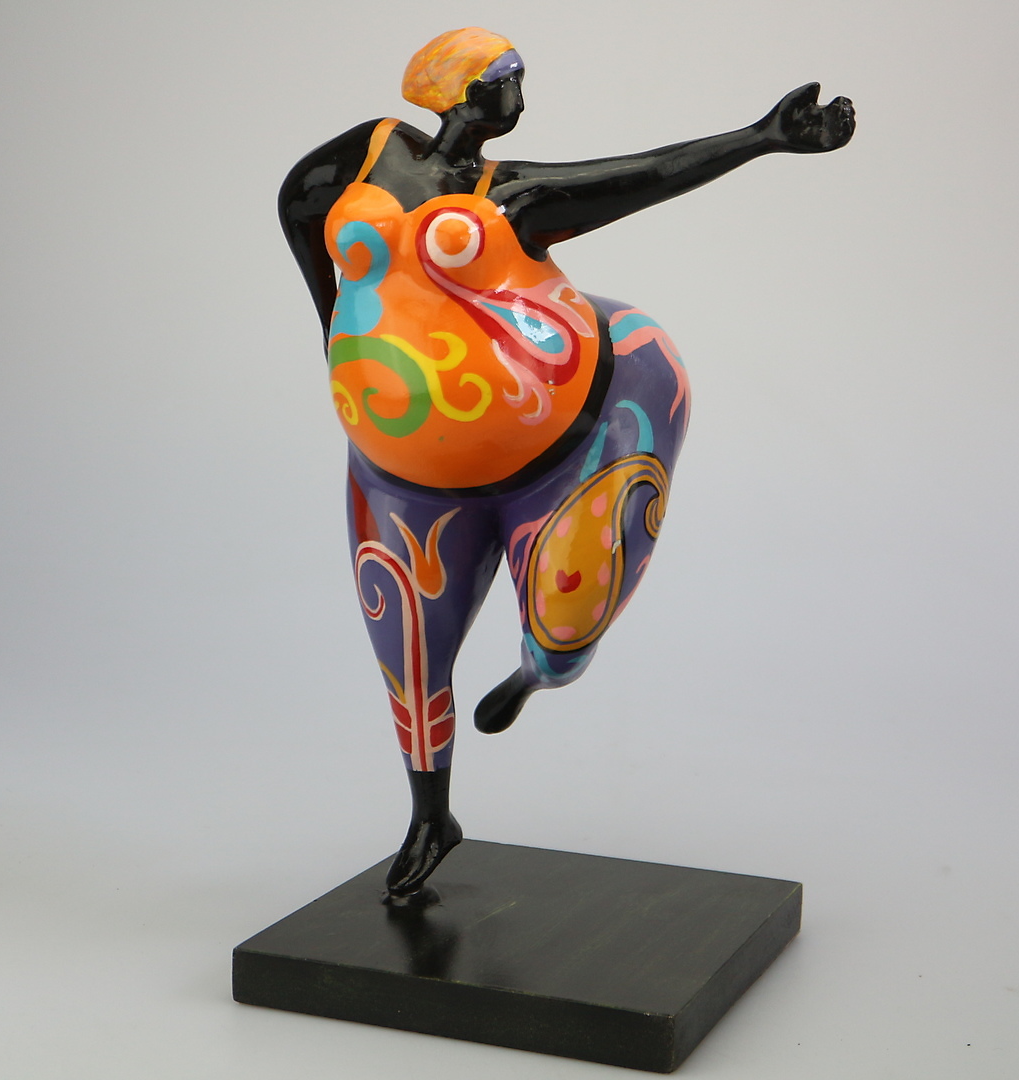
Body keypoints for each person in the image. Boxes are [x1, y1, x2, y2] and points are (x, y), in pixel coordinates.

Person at [279, 27, 854, 901]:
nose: (519, 95)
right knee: (408, 660)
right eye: (505, 79)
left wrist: (761, 137)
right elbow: (298, 210)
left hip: (570, 438)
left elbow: (642, 176)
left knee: (565, 636)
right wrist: (334, 327)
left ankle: (533, 673)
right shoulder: (363, 154)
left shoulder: (515, 195)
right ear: (462, 93)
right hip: (399, 470)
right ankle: (431, 816)